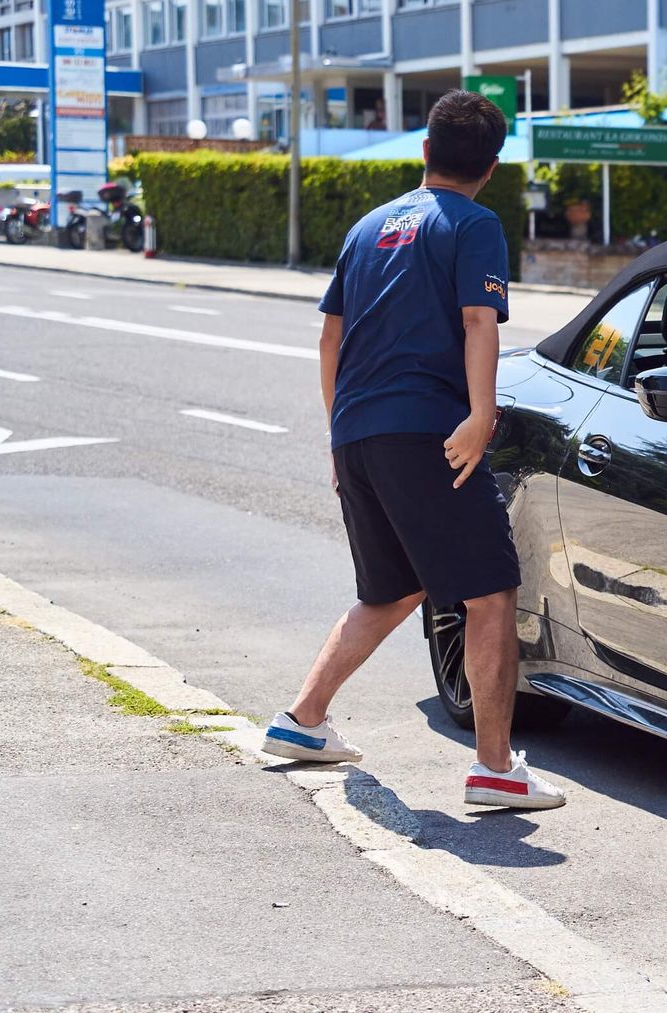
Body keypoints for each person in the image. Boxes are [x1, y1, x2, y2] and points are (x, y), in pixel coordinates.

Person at [260, 90, 565, 811]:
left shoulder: (368, 227)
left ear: (425, 150)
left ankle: (302, 720)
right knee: (491, 591)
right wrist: (481, 415)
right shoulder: (475, 224)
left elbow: (330, 337)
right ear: (491, 167)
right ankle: (495, 768)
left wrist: (339, 434)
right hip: (427, 430)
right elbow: (478, 320)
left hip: (357, 433)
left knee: (393, 588)